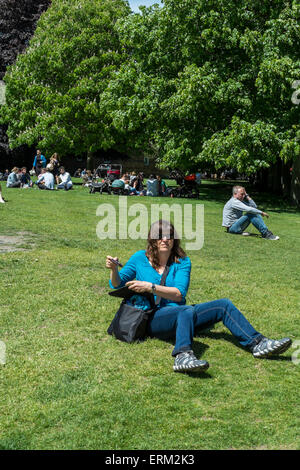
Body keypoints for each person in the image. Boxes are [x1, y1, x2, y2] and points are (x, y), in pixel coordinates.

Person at [106, 220, 292, 373]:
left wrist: (150, 286)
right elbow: (117, 284)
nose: (165, 239)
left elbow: (179, 294)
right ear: (152, 239)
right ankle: (183, 356)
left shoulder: (182, 262)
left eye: (169, 236)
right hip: (153, 317)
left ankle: (258, 344)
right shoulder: (140, 258)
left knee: (223, 305)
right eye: (160, 235)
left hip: (180, 311)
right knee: (185, 311)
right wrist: (114, 269)